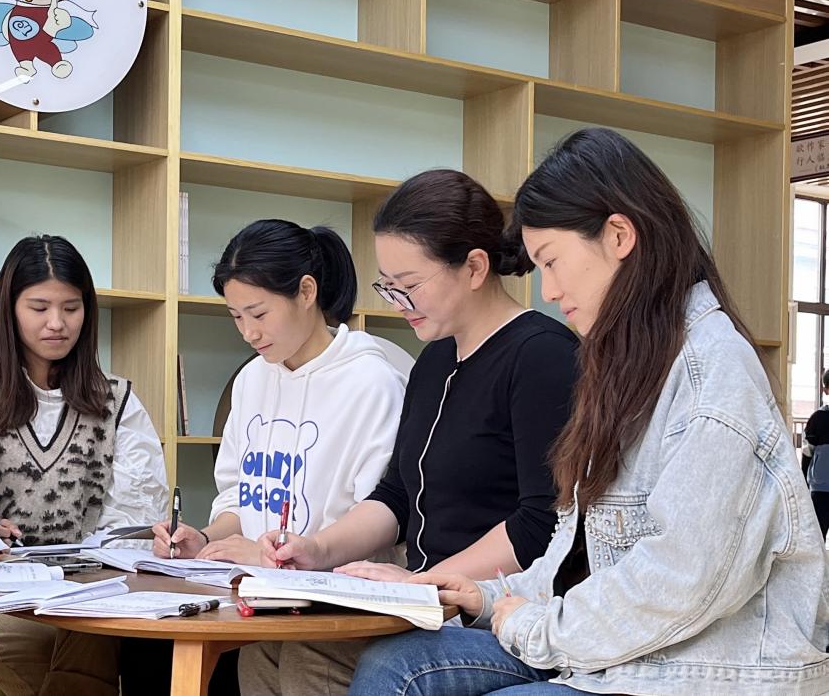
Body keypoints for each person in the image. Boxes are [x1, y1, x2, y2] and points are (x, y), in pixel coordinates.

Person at [351, 127, 829, 695]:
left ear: (619, 235)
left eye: (552, 262)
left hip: (703, 671)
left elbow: (682, 578)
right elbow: (575, 552)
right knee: (394, 664)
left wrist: (534, 626)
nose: (549, 291)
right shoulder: (625, 362)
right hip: (627, 656)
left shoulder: (711, 369)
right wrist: (493, 596)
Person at [239, 172, 577, 695]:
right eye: (388, 285)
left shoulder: (542, 356)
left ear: (475, 267)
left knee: (311, 655)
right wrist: (318, 549)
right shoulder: (434, 359)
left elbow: (542, 523)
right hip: (426, 602)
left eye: (410, 284)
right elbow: (397, 493)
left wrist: (422, 584)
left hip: (505, 611)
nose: (397, 301)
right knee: (263, 649)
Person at [143, 220, 411, 694]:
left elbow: (381, 517)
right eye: (236, 317)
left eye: (259, 313)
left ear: (306, 292)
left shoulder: (372, 382)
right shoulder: (252, 379)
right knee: (256, 659)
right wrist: (204, 539)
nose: (249, 332)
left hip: (345, 594)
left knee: (304, 665)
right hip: (269, 595)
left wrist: (276, 559)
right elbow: (239, 498)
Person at [0, 235, 167, 696]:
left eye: (71, 308)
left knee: (94, 638)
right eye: (39, 307)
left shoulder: (117, 400)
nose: (57, 323)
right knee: (39, 654)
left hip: (91, 594)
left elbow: (135, 521)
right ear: (9, 310)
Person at [803, 370, 829, 540]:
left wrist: (804, 482)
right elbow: (807, 452)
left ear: (825, 389)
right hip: (821, 488)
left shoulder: (816, 419)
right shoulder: (817, 419)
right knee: (818, 537)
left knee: (818, 538)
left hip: (820, 487)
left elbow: (807, 453)